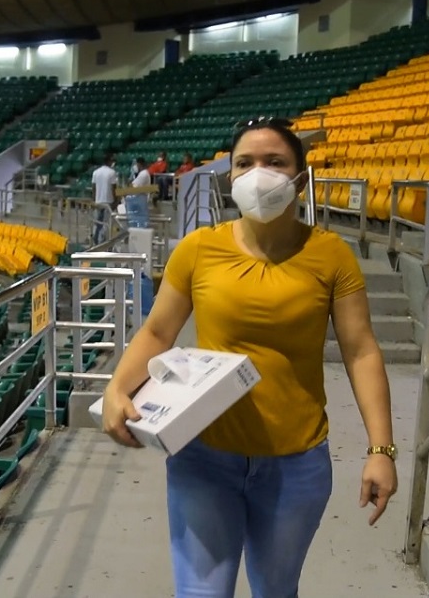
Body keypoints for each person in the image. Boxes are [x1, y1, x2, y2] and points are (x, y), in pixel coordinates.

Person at [100, 116, 398, 598]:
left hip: (296, 464)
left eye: (274, 162)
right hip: (204, 457)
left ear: (299, 179)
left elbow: (361, 351)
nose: (258, 172)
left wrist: (381, 450)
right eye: (245, 163)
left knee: (276, 590)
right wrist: (117, 388)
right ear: (231, 175)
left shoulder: (331, 256)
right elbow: (157, 331)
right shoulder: (199, 249)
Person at [91, 154, 118, 244]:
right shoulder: (112, 172)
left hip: (98, 201)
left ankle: (96, 239)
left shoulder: (96, 172)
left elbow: (94, 188)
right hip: (108, 201)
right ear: (109, 161)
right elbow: (113, 188)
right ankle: (102, 242)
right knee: (105, 224)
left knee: (98, 222)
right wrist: (115, 201)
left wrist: (94, 200)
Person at [126, 157, 152, 228]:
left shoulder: (144, 174)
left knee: (140, 224)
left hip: (140, 201)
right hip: (137, 201)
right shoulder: (141, 174)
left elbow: (133, 187)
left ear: (140, 164)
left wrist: (130, 181)